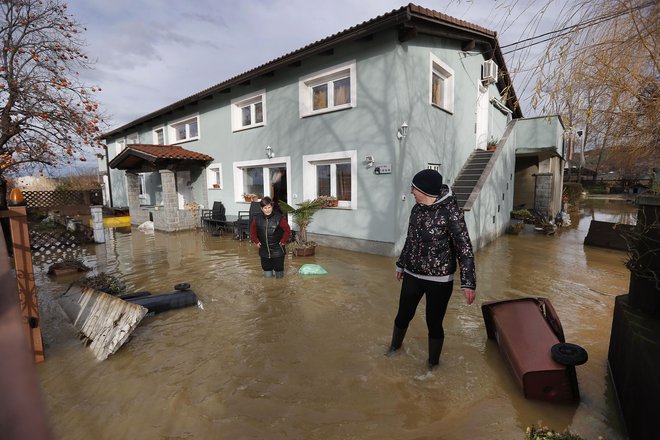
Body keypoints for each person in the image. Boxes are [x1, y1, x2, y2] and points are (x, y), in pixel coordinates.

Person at [387, 169, 477, 369]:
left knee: (433, 323)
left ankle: (432, 364)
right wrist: (401, 264)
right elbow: (410, 240)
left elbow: (464, 248)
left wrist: (468, 282)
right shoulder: (416, 210)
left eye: (414, 188)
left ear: (424, 190)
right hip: (412, 274)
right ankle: (394, 347)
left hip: (439, 280)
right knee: (403, 315)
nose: (411, 191)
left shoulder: (451, 212)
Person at [250, 196, 291, 278]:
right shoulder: (257, 219)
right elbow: (252, 232)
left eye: (269, 207)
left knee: (279, 275)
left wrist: (283, 241)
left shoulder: (279, 218)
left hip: (278, 251)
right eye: (265, 208)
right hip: (264, 252)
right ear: (261, 209)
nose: (267, 209)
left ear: (272, 207)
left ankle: (280, 289)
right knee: (267, 277)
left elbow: (287, 231)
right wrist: (256, 241)